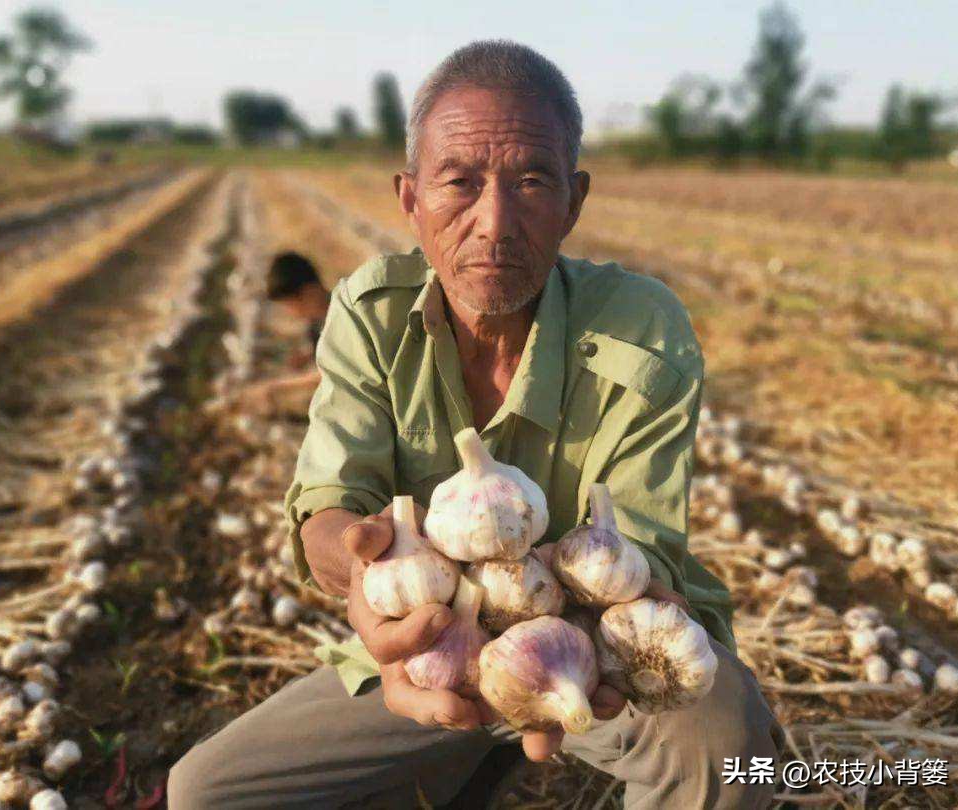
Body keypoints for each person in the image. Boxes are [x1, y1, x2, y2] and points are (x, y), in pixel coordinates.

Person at [170, 40, 783, 809]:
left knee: (723, 744)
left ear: (574, 201)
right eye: (460, 182)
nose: (495, 223)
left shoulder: (644, 328)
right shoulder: (368, 312)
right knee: (205, 793)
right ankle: (455, 766)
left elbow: (634, 556)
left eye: (532, 181)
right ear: (410, 197)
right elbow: (328, 506)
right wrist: (364, 575)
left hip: (597, 655)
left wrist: (582, 620)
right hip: (429, 647)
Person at [241, 251, 329, 415]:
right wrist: (307, 355)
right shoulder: (316, 324)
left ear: (310, 292)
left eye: (291, 305)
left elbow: (330, 373)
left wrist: (278, 386)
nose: (292, 312)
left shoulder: (342, 318)